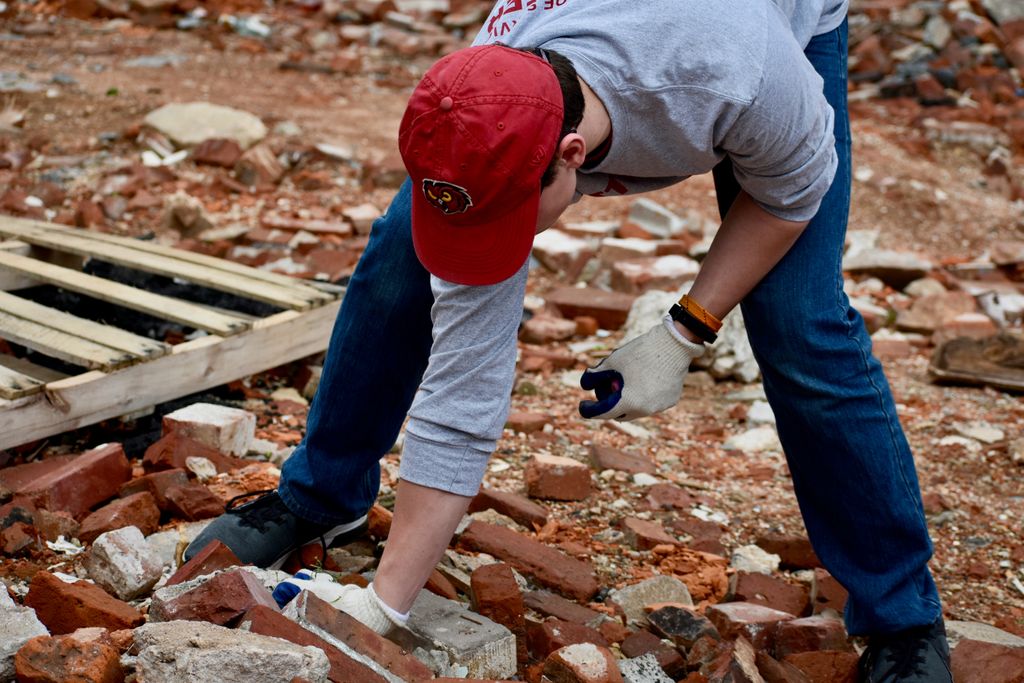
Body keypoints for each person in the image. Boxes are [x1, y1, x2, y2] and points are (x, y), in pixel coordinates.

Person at [186, 1, 952, 680]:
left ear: (573, 160)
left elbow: (791, 195)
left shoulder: (736, 72)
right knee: (402, 253)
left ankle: (903, 615)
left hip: (765, 28)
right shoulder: (491, 69)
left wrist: (688, 326)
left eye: (513, 214)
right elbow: (464, 390)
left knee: (802, 326)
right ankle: (321, 495)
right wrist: (384, 605)